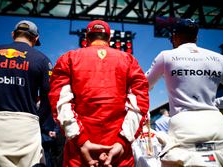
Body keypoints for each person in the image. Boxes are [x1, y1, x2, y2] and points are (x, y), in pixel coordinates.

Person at [48, 20, 149, 167]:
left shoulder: (68, 59)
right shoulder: (129, 60)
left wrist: (81, 142)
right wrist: (122, 142)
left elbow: (60, 103)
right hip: (118, 152)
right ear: (108, 39)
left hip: (79, 153)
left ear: (87, 38)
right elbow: (140, 104)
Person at [145, 18, 223, 166]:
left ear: (174, 36)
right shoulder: (220, 59)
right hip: (217, 126)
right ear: (196, 37)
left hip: (184, 129)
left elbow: (143, 85)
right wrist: (216, 103)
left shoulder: (166, 56)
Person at [0, 20, 52, 167]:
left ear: (13, 35)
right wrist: (38, 122)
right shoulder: (41, 59)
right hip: (24, 127)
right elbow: (49, 98)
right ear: (35, 38)